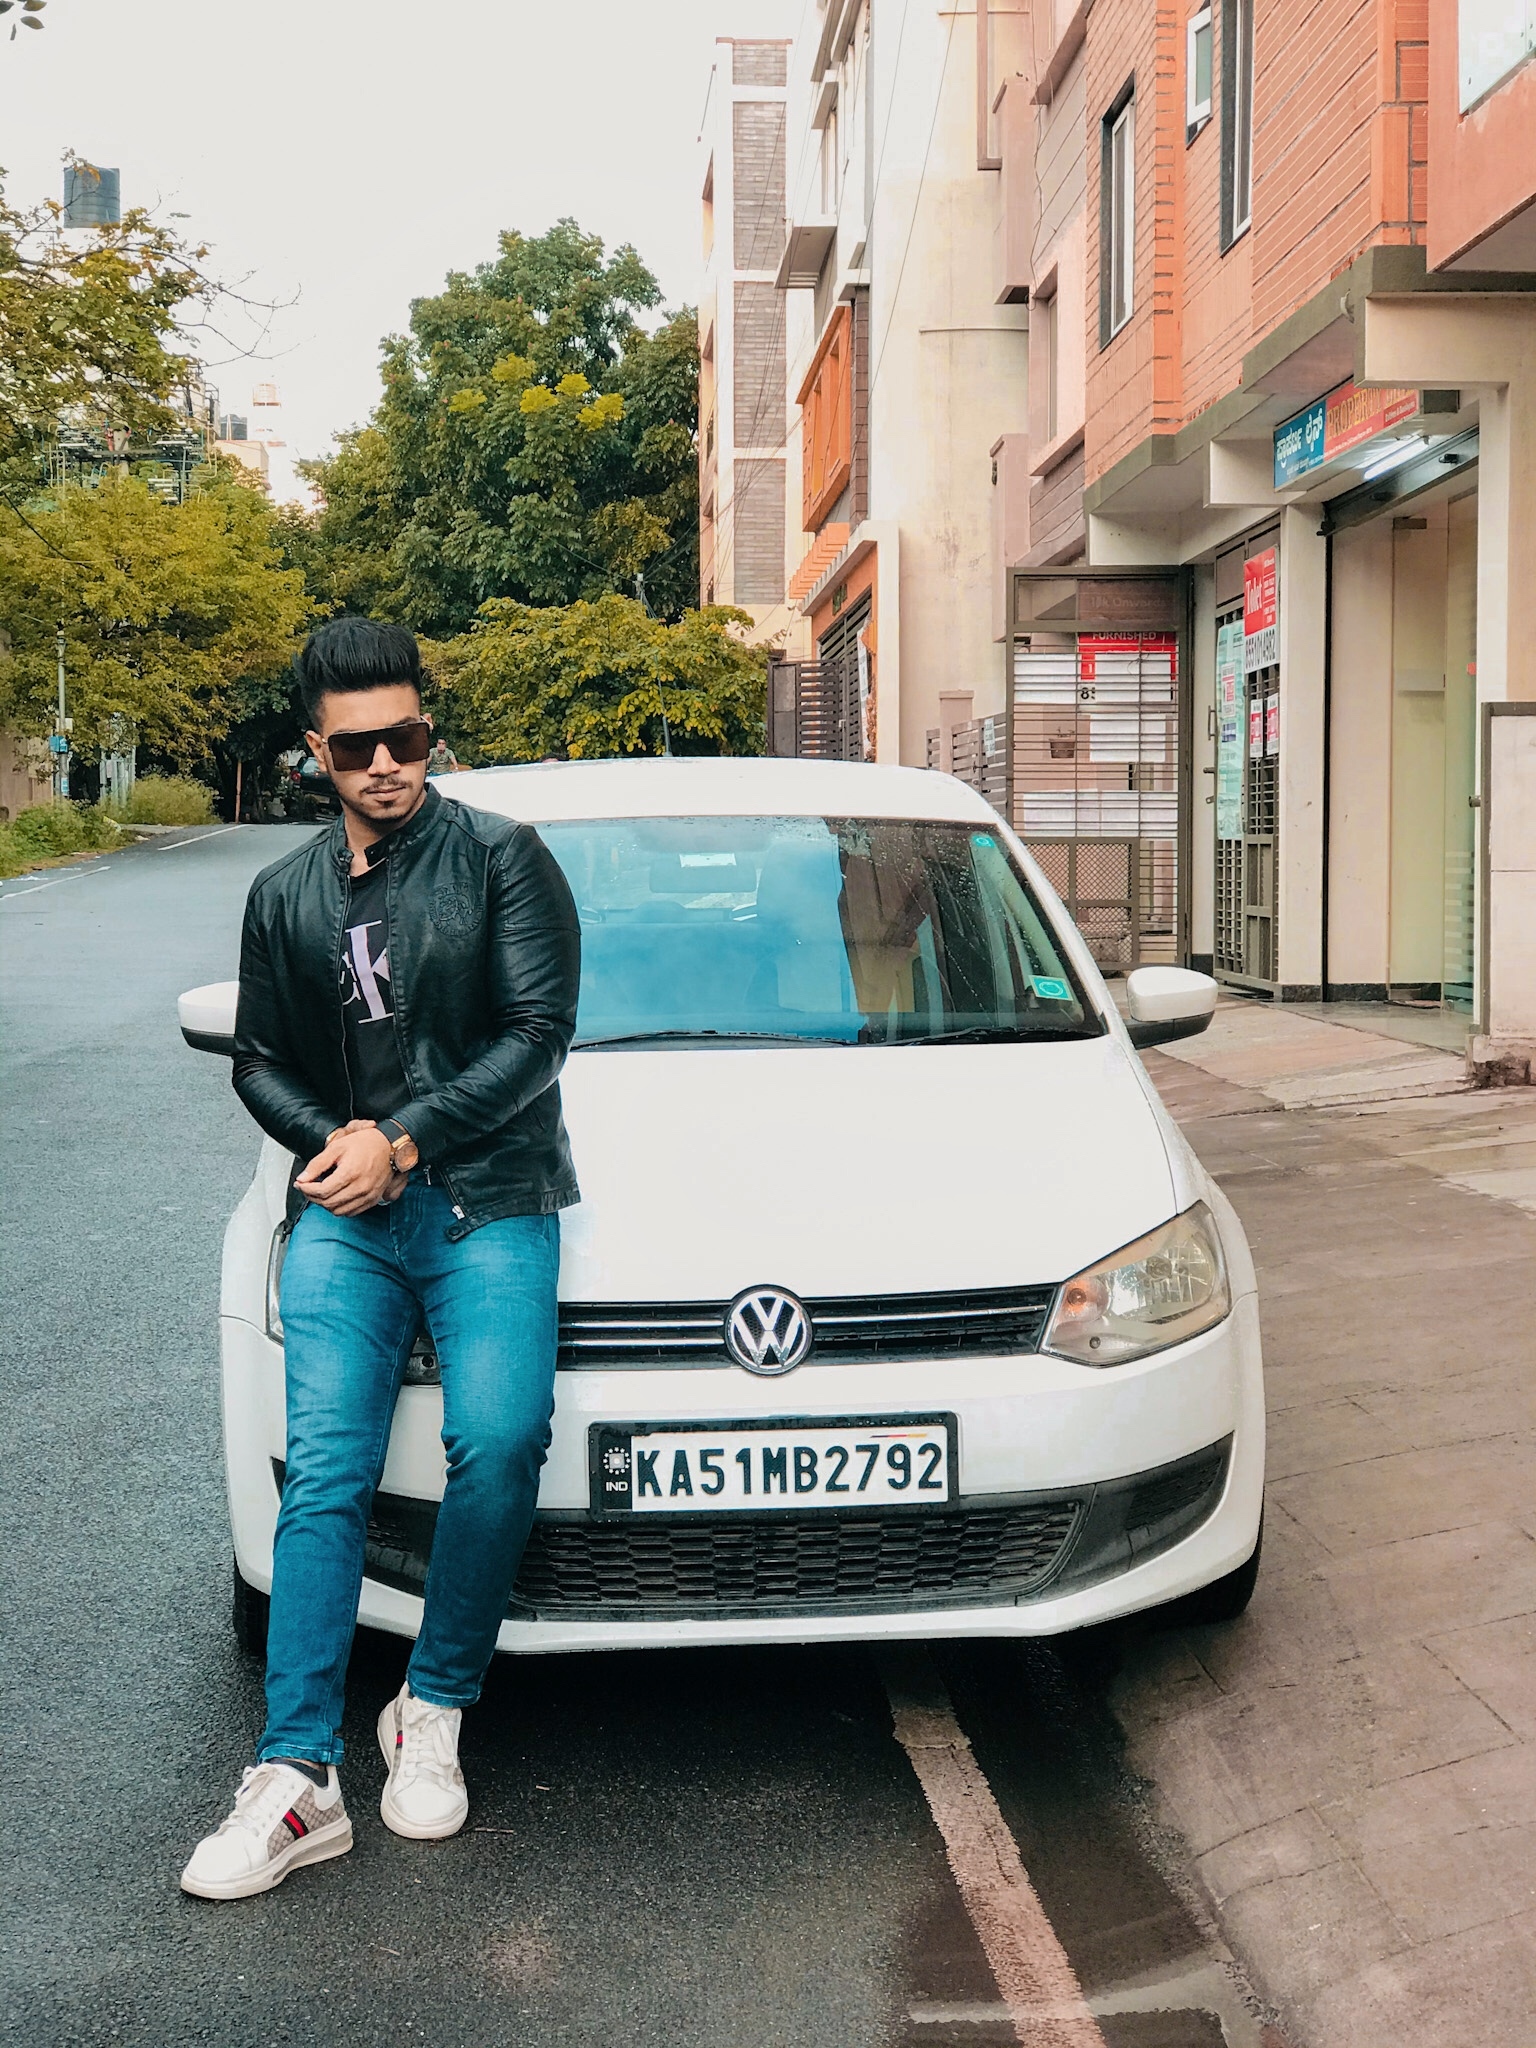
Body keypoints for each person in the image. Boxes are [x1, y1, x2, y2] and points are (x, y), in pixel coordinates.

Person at [181, 616, 581, 1901]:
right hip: (345, 1217)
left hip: (488, 1198)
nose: (387, 763)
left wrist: (400, 1141)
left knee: (502, 1436)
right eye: (357, 747)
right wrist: (337, 1146)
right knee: (326, 1469)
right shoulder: (283, 895)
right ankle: (295, 1773)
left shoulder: (504, 859)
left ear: (427, 729)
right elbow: (257, 1058)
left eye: (405, 736)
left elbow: (537, 1032)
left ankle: (433, 1702)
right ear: (317, 752)